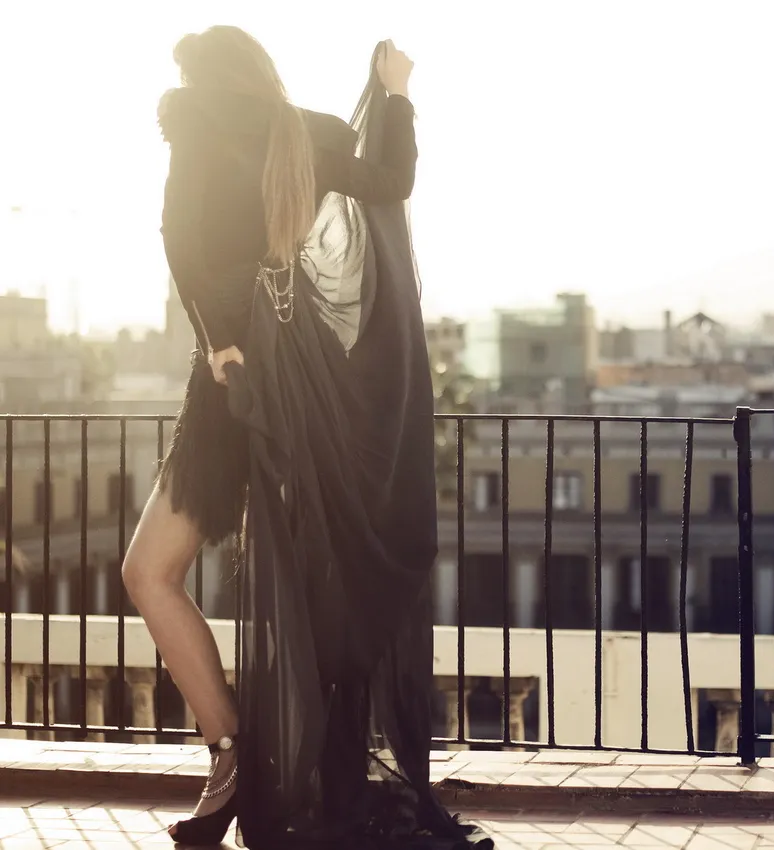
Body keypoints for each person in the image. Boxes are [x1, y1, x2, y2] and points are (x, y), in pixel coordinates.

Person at [123, 25, 490, 848]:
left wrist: (218, 337)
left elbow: (178, 240)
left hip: (230, 392)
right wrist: (394, 94)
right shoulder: (313, 133)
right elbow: (391, 181)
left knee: (150, 572)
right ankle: (279, 771)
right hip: (308, 402)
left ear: (201, 76)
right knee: (311, 590)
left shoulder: (195, 124)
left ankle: (234, 758)